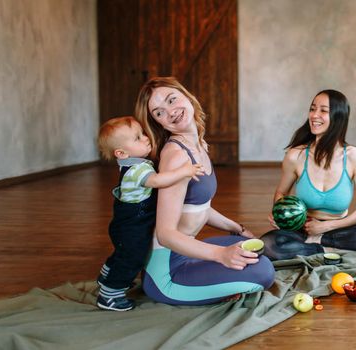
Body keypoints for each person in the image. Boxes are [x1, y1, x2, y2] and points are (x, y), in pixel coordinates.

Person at [134, 76, 275, 305]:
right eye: (159, 113)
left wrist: (238, 229)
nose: (170, 112)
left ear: (187, 96)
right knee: (263, 273)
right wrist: (221, 255)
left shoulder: (197, 143)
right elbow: (165, 234)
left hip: (185, 253)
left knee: (255, 251)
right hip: (168, 274)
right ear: (157, 122)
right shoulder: (176, 155)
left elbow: (198, 208)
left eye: (172, 100)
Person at [261, 90, 356, 260]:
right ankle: (325, 251)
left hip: (339, 229)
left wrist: (325, 228)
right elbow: (281, 192)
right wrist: (281, 214)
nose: (314, 115)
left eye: (323, 110)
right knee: (268, 245)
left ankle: (323, 243)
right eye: (312, 109)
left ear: (338, 117)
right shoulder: (296, 156)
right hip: (303, 230)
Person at [96, 116, 205, 311]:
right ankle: (110, 294)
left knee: (123, 252)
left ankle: (107, 273)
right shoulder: (136, 170)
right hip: (132, 225)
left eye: (143, 134)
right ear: (121, 153)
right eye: (137, 138)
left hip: (126, 223)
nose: (146, 138)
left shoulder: (135, 164)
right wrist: (184, 171)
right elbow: (157, 181)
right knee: (132, 258)